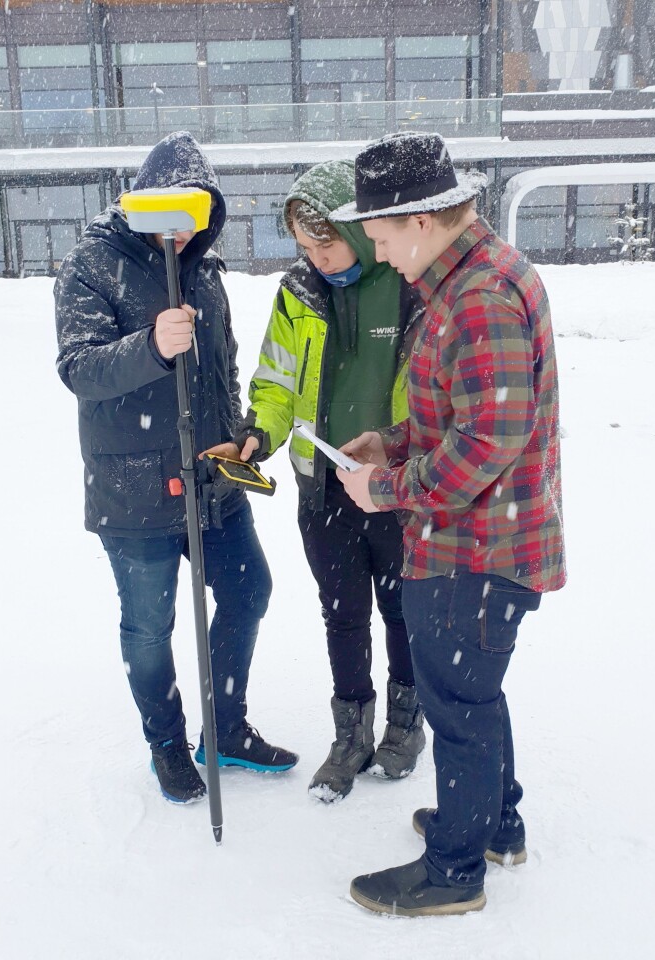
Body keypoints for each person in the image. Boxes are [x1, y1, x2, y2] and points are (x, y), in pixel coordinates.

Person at [332, 132, 566, 916]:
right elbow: (466, 415)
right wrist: (391, 441)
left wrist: (389, 486)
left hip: (476, 549)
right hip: (479, 540)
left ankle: (455, 870)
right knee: (475, 691)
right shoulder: (468, 278)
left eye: (385, 237)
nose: (384, 253)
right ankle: (493, 823)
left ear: (423, 222)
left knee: (457, 706)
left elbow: (489, 442)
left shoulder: (478, 296)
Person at [53, 131, 297, 805]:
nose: (184, 233)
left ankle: (224, 728)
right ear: (142, 203)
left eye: (198, 217)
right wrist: (152, 347)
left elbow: (222, 369)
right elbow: (79, 368)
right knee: (148, 626)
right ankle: (166, 742)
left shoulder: (203, 269)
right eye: (173, 214)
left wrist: (241, 435)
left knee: (248, 590)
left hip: (211, 477)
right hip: (134, 491)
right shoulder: (92, 265)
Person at [205, 160, 426, 801]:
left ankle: (406, 723)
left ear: (356, 230)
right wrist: (259, 433)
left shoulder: (408, 282)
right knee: (343, 615)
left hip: (398, 487)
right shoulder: (299, 295)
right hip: (323, 488)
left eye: (325, 243)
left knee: (403, 613)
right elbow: (275, 384)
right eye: (305, 248)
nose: (317, 259)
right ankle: (351, 732)